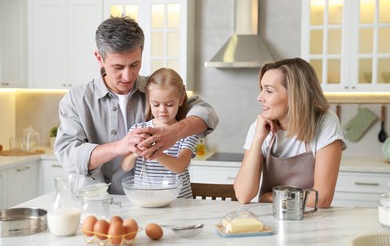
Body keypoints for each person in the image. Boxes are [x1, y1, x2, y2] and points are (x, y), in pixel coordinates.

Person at [55, 17, 218, 194]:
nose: (127, 76)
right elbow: (68, 156)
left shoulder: (155, 89)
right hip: (95, 203)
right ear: (99, 58)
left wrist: (173, 133)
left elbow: (207, 112)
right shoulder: (77, 99)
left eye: (135, 64)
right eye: (118, 67)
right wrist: (120, 147)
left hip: (148, 203)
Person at [233, 58, 346, 208]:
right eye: (261, 89)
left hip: (310, 221)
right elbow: (243, 195)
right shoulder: (259, 127)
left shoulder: (325, 122)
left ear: (295, 95)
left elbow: (322, 198)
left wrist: (272, 197)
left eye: (269, 91)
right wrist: (258, 139)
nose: (260, 98)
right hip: (271, 219)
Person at [121, 68, 198, 198]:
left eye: (169, 104)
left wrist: (153, 152)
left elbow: (179, 166)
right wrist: (136, 153)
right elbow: (125, 166)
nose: (162, 110)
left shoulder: (186, 132)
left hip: (179, 203)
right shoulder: (138, 130)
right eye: (156, 105)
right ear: (148, 99)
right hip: (145, 200)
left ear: (180, 100)